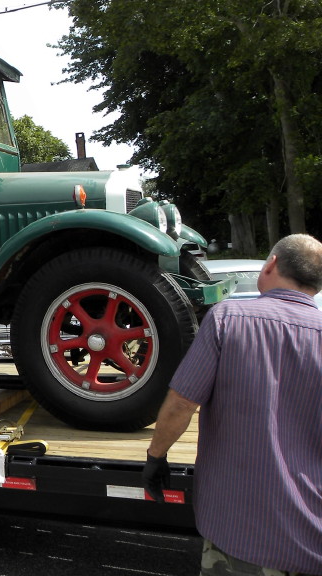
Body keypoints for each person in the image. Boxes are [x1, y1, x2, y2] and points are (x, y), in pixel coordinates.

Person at [143, 233, 322, 575]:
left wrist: (156, 456)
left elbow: (182, 403)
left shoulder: (229, 319)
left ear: (271, 264)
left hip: (243, 536)